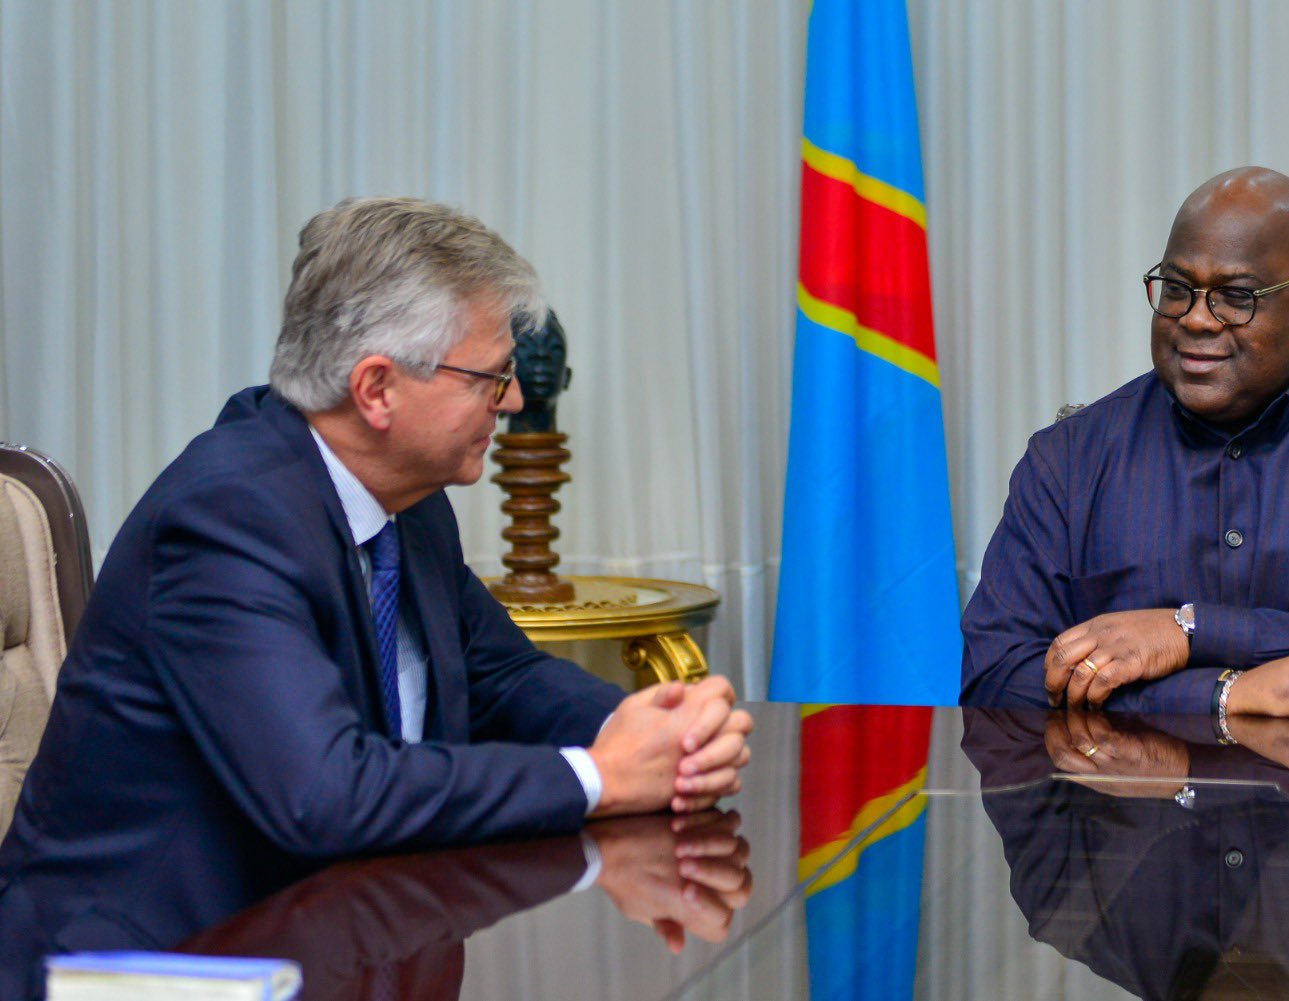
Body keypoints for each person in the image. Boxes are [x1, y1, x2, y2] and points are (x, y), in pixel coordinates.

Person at [0, 197, 752, 951]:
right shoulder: (224, 519)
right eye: (491, 377)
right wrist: (601, 777)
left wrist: (646, 732)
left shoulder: (408, 502)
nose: (515, 399)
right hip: (158, 962)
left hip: (339, 934)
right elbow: (324, 794)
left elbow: (501, 675)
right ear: (376, 388)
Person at [961, 167, 1289, 721]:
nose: (1196, 319)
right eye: (1177, 290)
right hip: (1124, 806)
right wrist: (1222, 699)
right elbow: (995, 676)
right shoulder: (1070, 460)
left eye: (1236, 296)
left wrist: (1192, 631)